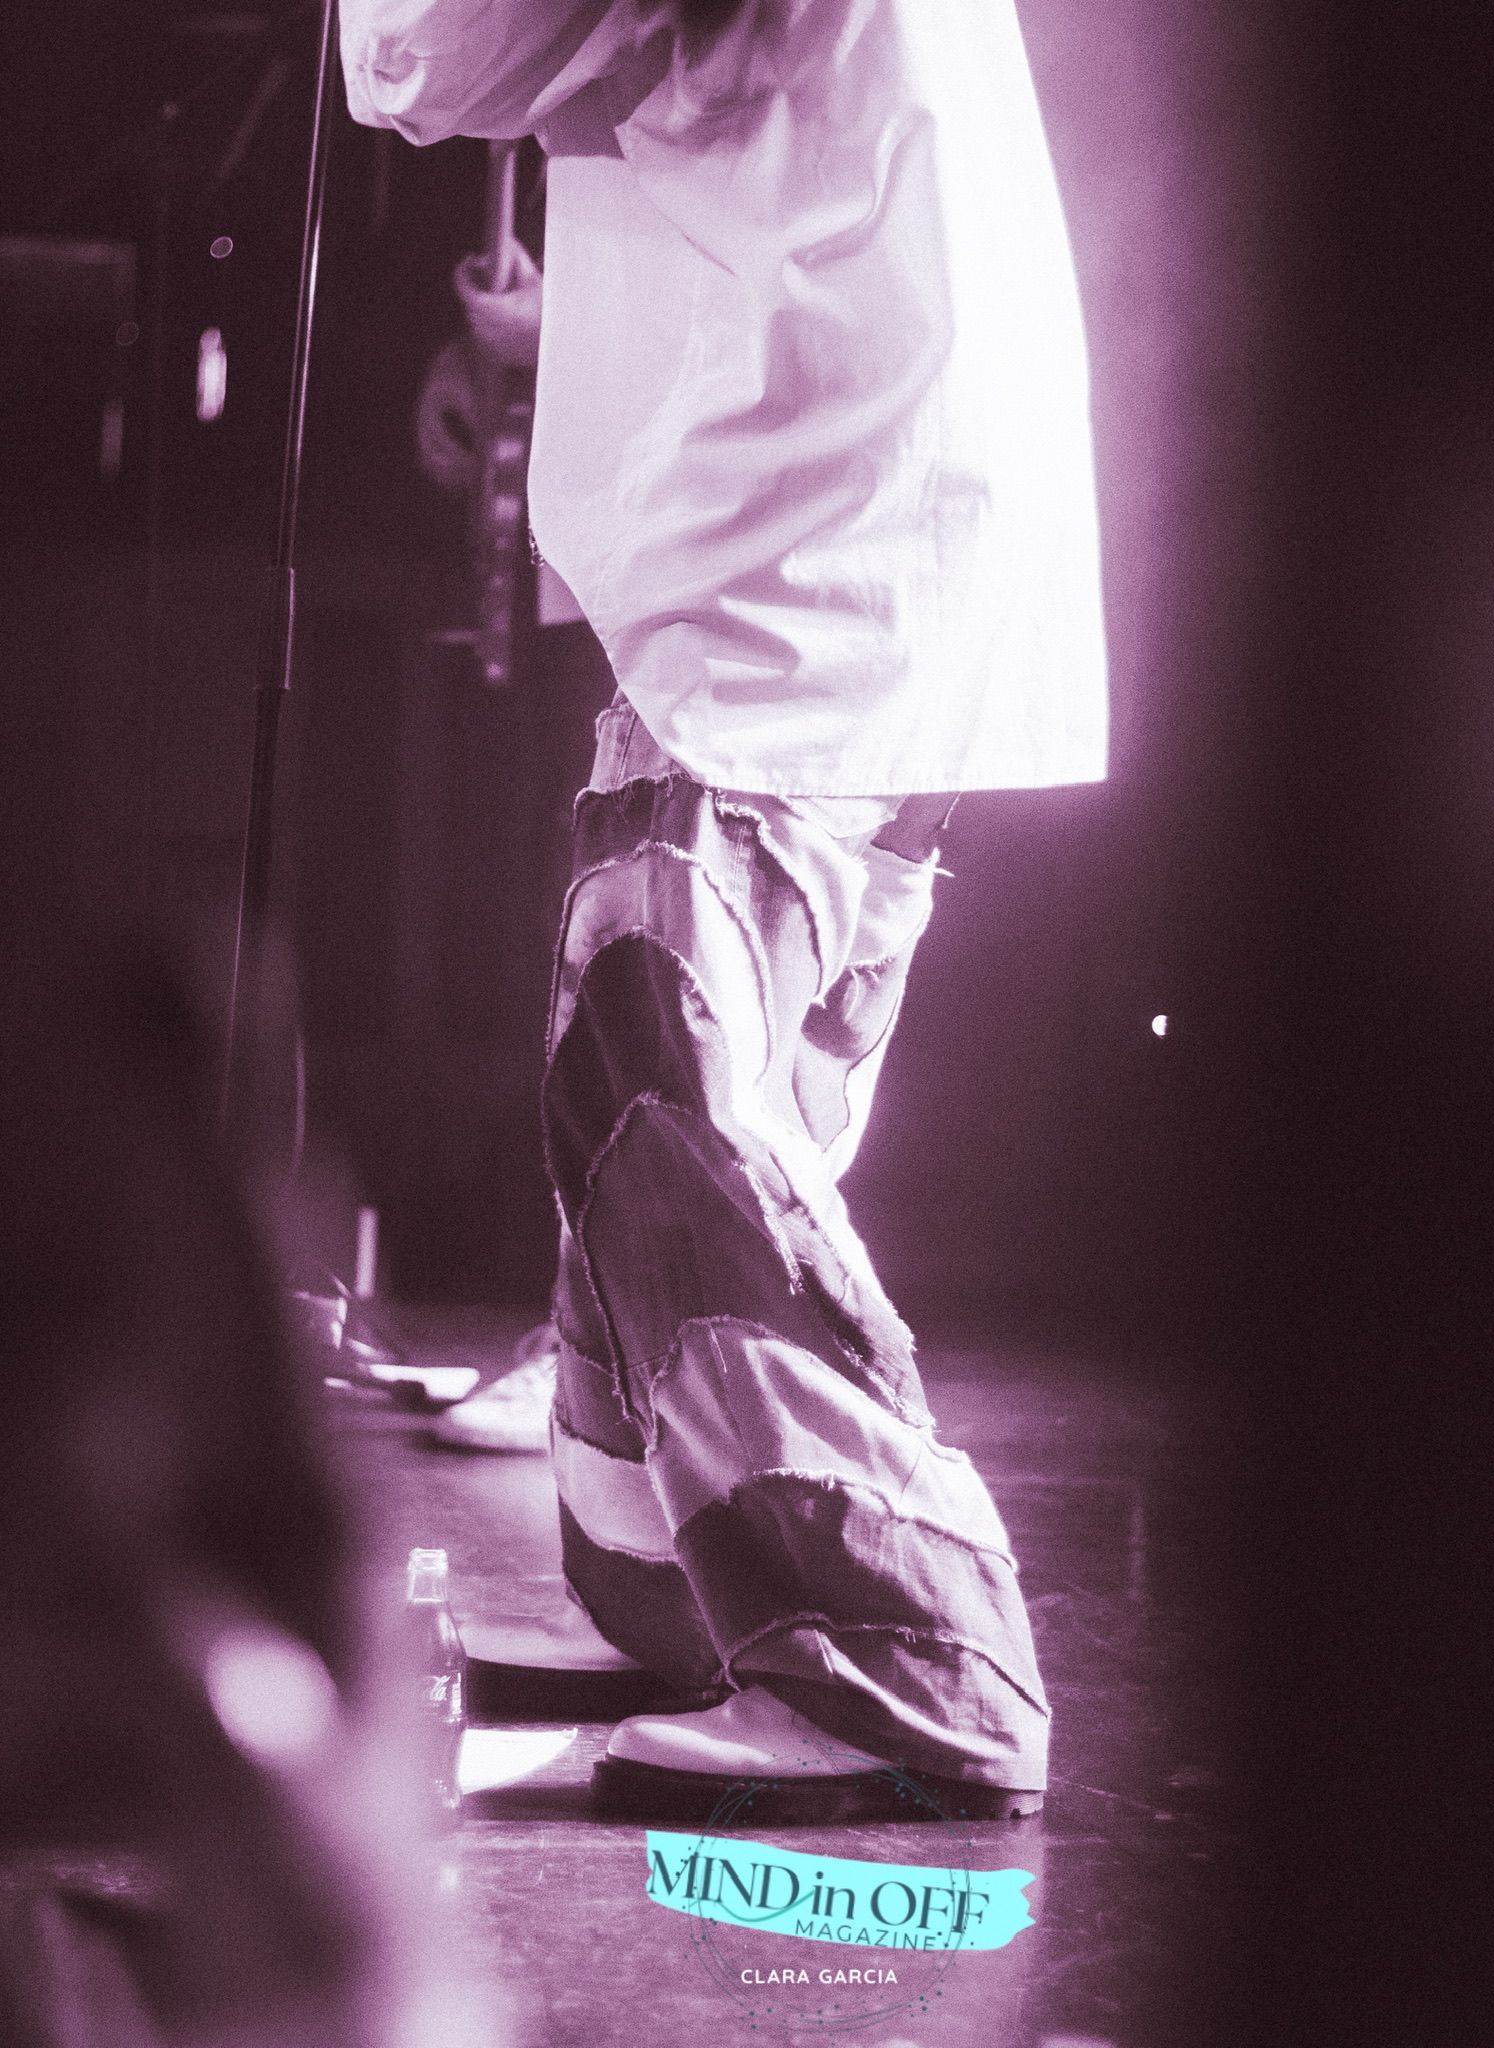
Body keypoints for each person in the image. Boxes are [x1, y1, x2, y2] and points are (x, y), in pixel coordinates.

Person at [339, 0, 1108, 1820]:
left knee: (665, 1070)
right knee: (647, 1078)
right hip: (826, 499)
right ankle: (695, 1598)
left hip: (812, 524)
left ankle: (903, 1668)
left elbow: (441, 56)